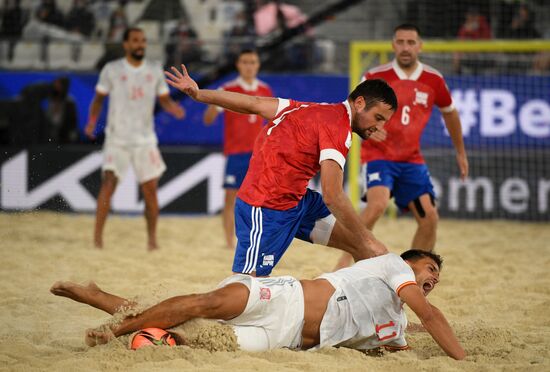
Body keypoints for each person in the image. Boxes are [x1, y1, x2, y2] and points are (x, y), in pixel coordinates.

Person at [165, 63, 397, 276]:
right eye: (378, 117)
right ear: (358, 104)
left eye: (384, 121)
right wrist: (367, 237)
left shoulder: (307, 109)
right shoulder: (337, 128)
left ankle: (369, 312)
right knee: (244, 290)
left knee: (370, 251)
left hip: (299, 203)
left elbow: (253, 103)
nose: (379, 127)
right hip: (265, 208)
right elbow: (333, 196)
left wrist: (200, 94)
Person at [49, 249, 466, 360]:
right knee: (205, 303)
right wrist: (463, 359)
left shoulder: (394, 323)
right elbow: (429, 317)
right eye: (430, 268)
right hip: (285, 297)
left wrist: (409, 336)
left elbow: (403, 339)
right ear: (411, 264)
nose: (432, 279)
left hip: (286, 340)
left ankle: (100, 297)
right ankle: (115, 329)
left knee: (193, 337)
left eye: (437, 279)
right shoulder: (395, 267)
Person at [335, 24, 469, 269]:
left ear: (419, 46)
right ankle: (341, 269)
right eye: (401, 42)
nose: (405, 47)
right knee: (376, 206)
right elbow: (350, 110)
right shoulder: (376, 76)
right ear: (393, 45)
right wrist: (366, 131)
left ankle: (414, 274)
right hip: (379, 156)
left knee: (429, 218)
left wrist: (460, 152)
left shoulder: (434, 79)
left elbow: (450, 113)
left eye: (410, 42)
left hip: (411, 160)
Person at [85, 27, 185, 250]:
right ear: (126, 44)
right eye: (135, 41)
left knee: (150, 189)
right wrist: (92, 121)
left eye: (143, 40)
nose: (140, 44)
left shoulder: (154, 69)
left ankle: (152, 240)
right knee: (109, 183)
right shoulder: (111, 69)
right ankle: (97, 239)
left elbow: (164, 99)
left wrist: (174, 109)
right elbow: (99, 99)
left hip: (144, 139)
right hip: (117, 138)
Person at [202, 49, 273, 249]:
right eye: (245, 62)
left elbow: (271, 120)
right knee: (230, 198)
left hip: (258, 154)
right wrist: (214, 101)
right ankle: (228, 242)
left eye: (253, 62)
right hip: (235, 153)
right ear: (238, 65)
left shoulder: (265, 90)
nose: (249, 66)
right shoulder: (229, 89)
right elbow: (207, 120)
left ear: (258, 65)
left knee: (260, 200)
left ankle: (256, 239)